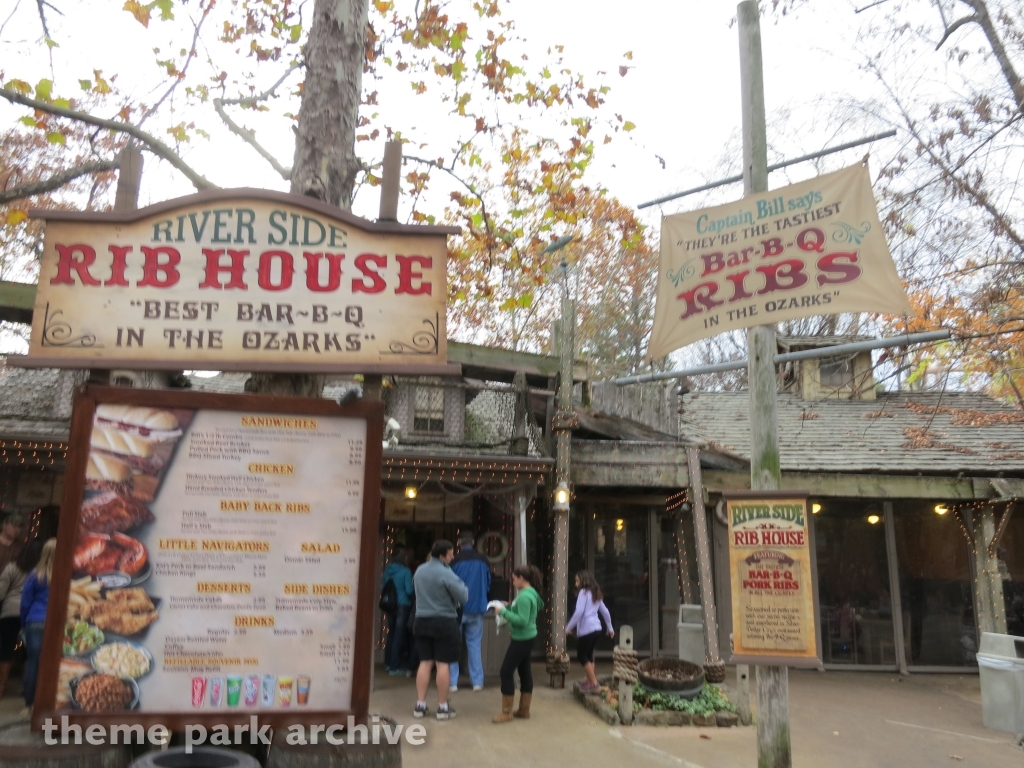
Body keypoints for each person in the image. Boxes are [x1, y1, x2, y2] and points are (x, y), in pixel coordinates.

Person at [412, 539, 468, 720]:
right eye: (451, 554)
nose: (453, 557)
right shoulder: (446, 573)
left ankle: (420, 705)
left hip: (421, 620)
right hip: (444, 621)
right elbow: (463, 596)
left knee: (425, 662)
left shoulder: (420, 570)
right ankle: (442, 707)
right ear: (443, 556)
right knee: (443, 663)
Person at [492, 564, 544, 723]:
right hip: (527, 637)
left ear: (521, 579)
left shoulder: (524, 596)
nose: (512, 581)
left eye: (514, 579)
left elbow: (522, 621)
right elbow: (526, 614)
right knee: (524, 671)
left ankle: (507, 713)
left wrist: (503, 612)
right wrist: (509, 607)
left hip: (521, 638)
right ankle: (524, 710)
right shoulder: (531, 593)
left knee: (506, 671)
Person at [449, 532, 491, 692]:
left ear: (459, 543)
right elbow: (488, 583)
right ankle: (477, 682)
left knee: (453, 646)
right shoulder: (483, 560)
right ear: (473, 542)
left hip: (457, 609)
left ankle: (453, 682)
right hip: (477, 607)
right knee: (474, 646)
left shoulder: (454, 561)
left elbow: (450, 584)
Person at [0, 541, 41, 699]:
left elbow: (1, 591)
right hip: (31, 614)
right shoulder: (40, 572)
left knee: (5, 649)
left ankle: (1, 688)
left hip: (9, 612)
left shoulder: (12, 567)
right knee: (29, 652)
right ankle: (26, 689)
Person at [20, 538, 55, 713]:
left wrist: (24, 624)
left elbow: (25, 602)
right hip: (55, 623)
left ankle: (29, 705)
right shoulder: (64, 575)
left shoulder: (35, 574)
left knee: (33, 662)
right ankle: (48, 703)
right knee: (52, 663)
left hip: (34, 621)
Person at [565, 570, 613, 691]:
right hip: (597, 628)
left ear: (584, 581)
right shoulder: (595, 593)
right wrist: (610, 628)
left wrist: (568, 627)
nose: (576, 584)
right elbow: (605, 611)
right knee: (589, 655)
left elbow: (579, 612)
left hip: (587, 629)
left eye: (577, 581)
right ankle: (589, 681)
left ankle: (594, 683)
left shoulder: (583, 592)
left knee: (581, 655)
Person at [381, 545, 415, 676]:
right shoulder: (406, 571)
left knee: (391, 633)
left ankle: (388, 664)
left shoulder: (387, 570)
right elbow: (409, 590)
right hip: (403, 604)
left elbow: (384, 586)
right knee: (399, 635)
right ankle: (395, 667)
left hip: (390, 605)